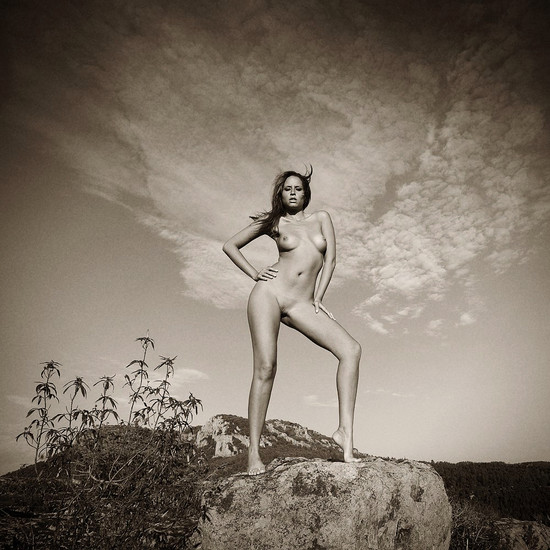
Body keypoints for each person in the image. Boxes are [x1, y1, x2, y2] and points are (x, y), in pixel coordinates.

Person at [222, 166, 361, 475]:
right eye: (287, 189)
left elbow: (331, 260)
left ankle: (345, 436)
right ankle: (253, 454)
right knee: (266, 367)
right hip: (269, 295)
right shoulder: (274, 222)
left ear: (305, 193)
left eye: (298, 188)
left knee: (351, 350)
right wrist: (255, 273)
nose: (293, 192)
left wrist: (318, 298)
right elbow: (230, 245)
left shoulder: (322, 218)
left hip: (302, 303)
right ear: (281, 195)